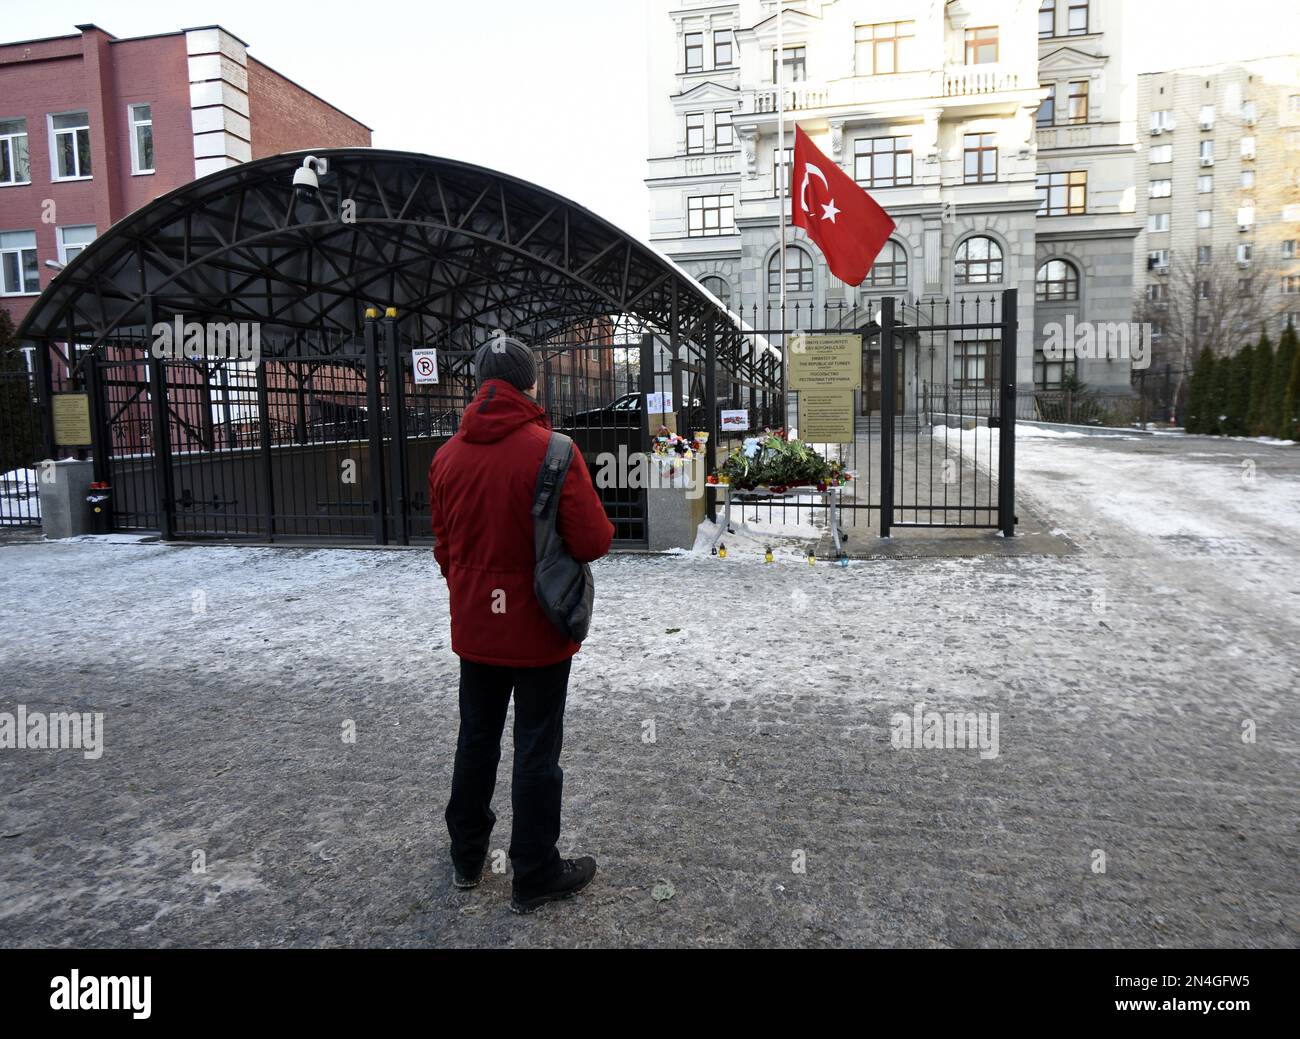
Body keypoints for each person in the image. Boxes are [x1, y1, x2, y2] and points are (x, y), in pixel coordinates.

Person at [428, 335, 614, 914]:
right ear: (531, 385)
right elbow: (594, 539)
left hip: (477, 629)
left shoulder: (446, 457)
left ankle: (466, 857)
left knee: (475, 740)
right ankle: (533, 872)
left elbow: (443, 549)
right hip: (539, 631)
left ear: (479, 385)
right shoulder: (555, 451)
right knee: (536, 750)